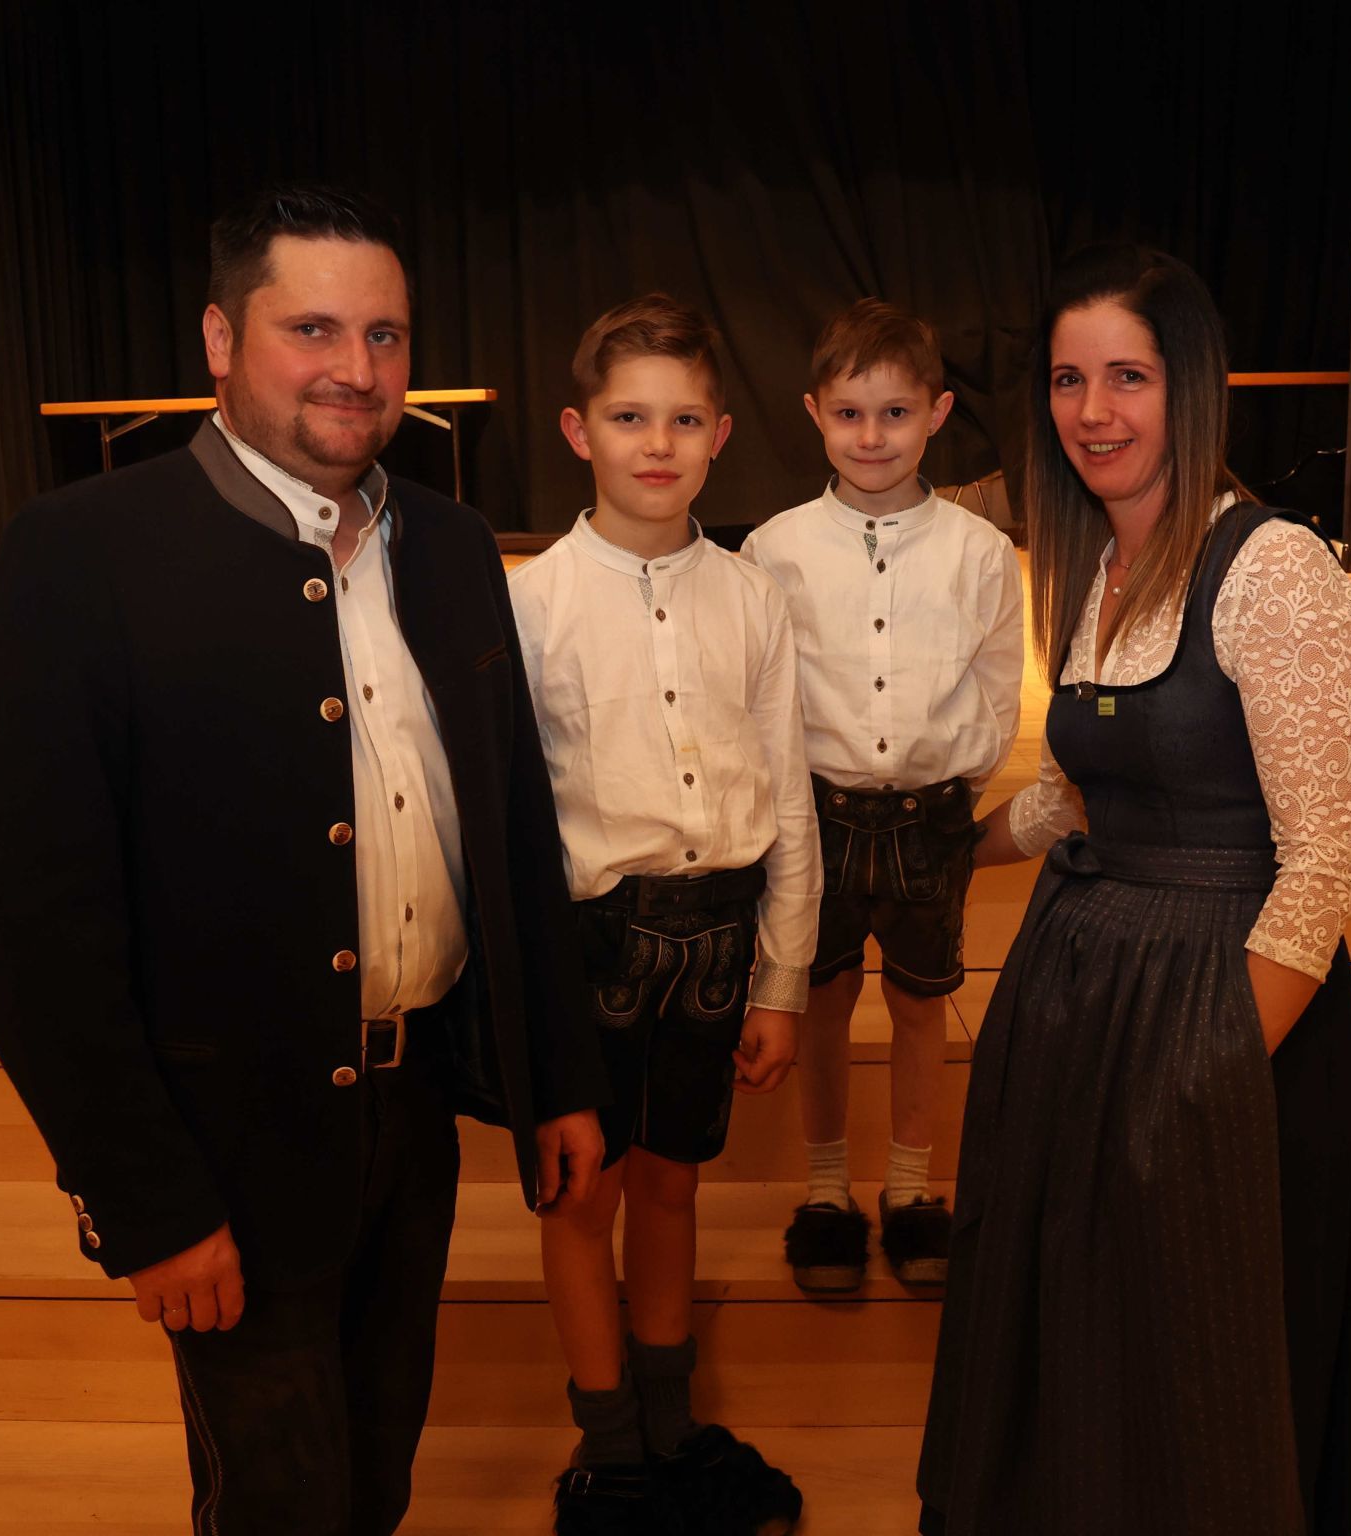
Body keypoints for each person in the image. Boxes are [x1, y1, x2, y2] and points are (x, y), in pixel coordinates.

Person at [0, 184, 608, 1536]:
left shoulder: (453, 547)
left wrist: (554, 1076)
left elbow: (511, 831)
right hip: (226, 1149)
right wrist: (143, 1201)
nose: (355, 370)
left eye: (384, 335)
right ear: (217, 337)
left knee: (374, 1482)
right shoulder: (78, 557)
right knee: (279, 1507)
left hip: (412, 1120)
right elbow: (32, 929)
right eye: (312, 328)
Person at [915, 245, 1351, 1535]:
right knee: (1089, 1374)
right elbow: (1089, 791)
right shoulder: (1095, 569)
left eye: (1126, 376)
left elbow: (1322, 865)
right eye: (1068, 380)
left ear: (1189, 387)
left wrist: (1199, 1076)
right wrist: (952, 846)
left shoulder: (1271, 570)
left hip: (1218, 1027)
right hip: (1087, 1014)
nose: (1092, 411)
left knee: (1206, 1387)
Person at [508, 294, 822, 1536]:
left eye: (683, 419)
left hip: (717, 942)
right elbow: (516, 825)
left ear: (721, 434)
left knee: (673, 1188)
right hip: (589, 942)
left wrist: (784, 977)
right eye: (629, 416)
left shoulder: (749, 598)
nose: (657, 442)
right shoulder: (531, 605)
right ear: (578, 430)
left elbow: (787, 788)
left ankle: (670, 1425)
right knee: (579, 1192)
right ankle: (609, 1450)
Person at [742, 299, 1024, 1294]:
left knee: (919, 1006)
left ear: (937, 413)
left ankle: (910, 1186)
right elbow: (758, 693)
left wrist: (954, 786)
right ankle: (826, 1188)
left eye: (895, 414)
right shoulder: (772, 550)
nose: (872, 437)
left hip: (926, 820)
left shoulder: (979, 553)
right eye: (851, 414)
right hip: (812, 820)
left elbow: (994, 688)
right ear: (815, 413)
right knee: (819, 1002)